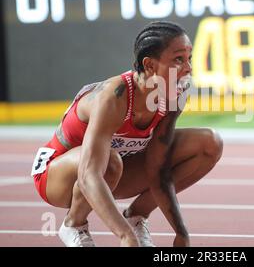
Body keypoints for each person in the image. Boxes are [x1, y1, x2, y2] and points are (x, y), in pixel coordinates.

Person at [30, 21, 223, 247]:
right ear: (149, 65)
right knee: (110, 162)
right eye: (178, 60)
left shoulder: (174, 96)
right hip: (57, 177)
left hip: (113, 171)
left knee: (210, 143)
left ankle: (136, 216)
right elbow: (89, 174)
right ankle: (74, 224)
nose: (188, 68)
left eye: (189, 59)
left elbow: (157, 169)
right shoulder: (114, 97)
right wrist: (125, 237)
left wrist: (181, 233)